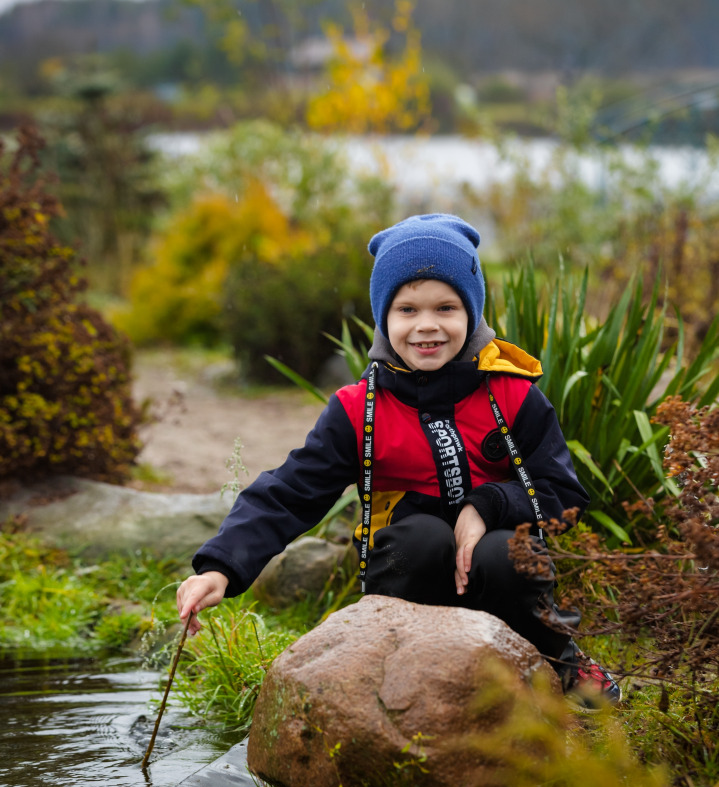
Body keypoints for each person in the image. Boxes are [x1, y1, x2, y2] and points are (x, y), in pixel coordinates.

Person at [177, 213, 620, 707]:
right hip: (407, 585)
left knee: (505, 552)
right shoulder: (357, 410)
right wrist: (220, 567)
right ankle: (394, 675)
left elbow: (564, 494)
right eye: (407, 309)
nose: (426, 325)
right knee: (421, 537)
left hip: (504, 585)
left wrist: (488, 505)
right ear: (383, 317)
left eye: (446, 307)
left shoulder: (513, 396)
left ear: (471, 312)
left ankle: (555, 659)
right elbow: (289, 493)